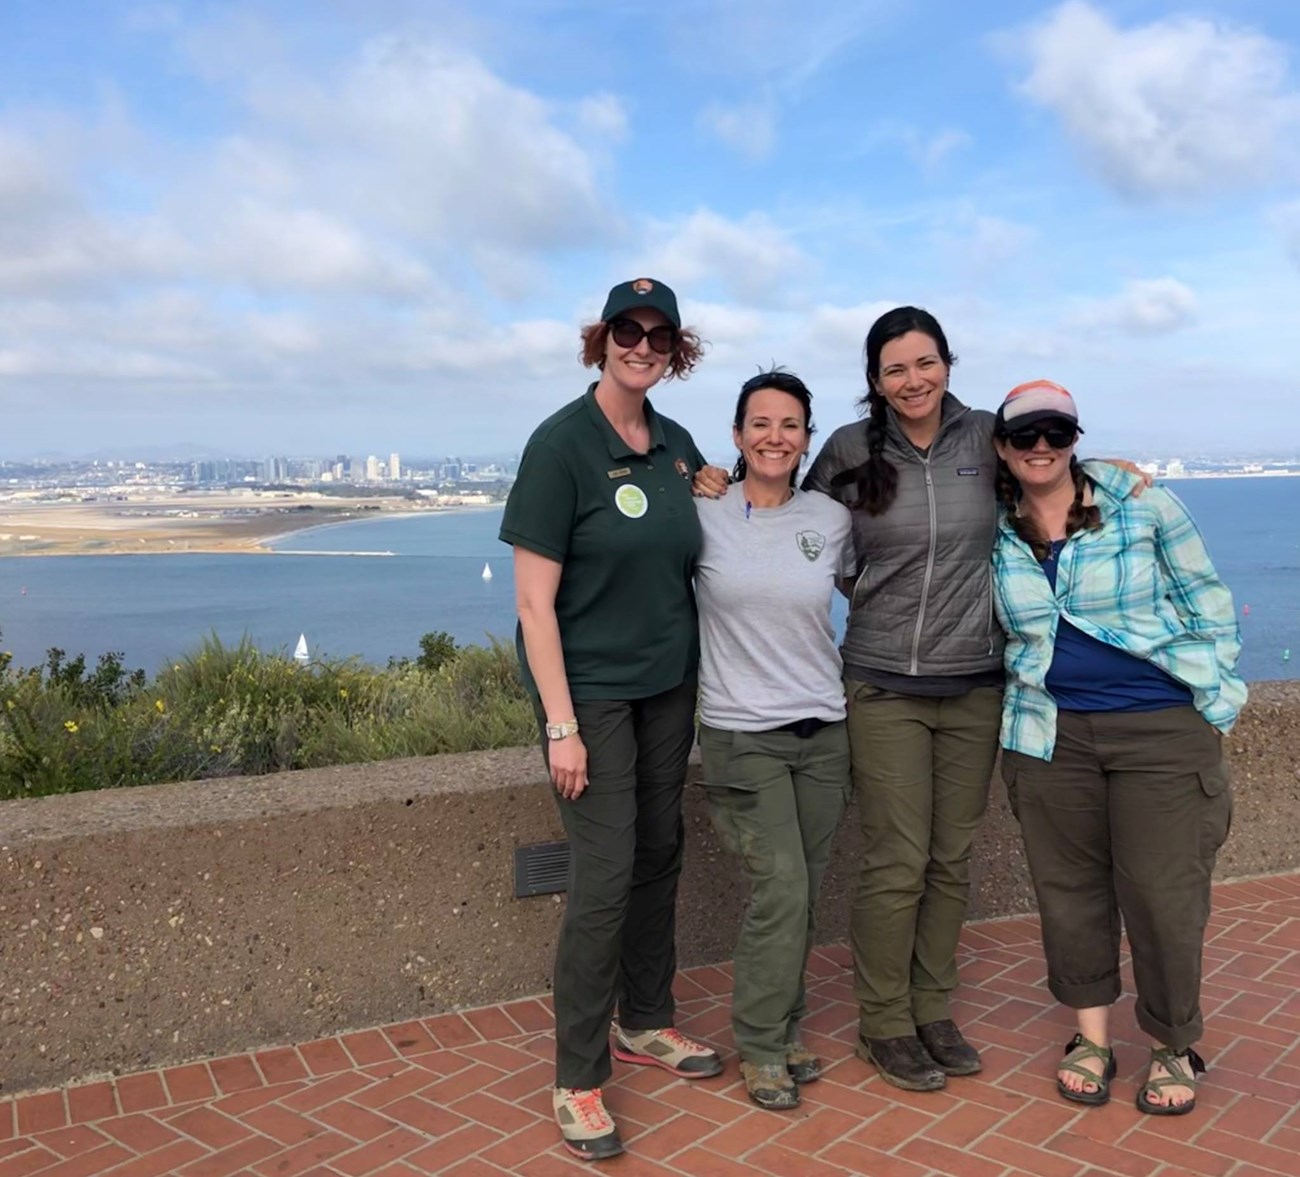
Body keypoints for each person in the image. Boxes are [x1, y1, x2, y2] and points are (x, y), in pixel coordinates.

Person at [499, 277, 723, 1162]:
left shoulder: (674, 442)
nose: (641, 346)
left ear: (676, 350)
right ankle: (577, 1074)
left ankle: (649, 1018)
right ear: (602, 340)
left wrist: (713, 482)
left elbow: (704, 522)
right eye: (625, 331)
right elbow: (531, 600)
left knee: (661, 848)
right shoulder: (560, 446)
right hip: (588, 692)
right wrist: (561, 724)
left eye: (657, 334)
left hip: (668, 684)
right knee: (605, 871)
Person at [991, 379, 1244, 1116]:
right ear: (1003, 446)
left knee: (1165, 899)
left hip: (1160, 727)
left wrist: (1216, 700)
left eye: (1057, 432)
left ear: (1076, 438)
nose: (1042, 446)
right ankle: (1091, 1038)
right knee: (1069, 896)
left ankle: (1173, 1043)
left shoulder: (1142, 502)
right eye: (1026, 434)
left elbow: (1208, 599)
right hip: (1049, 732)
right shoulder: (994, 524)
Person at [694, 370, 854, 1111]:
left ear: (806, 438)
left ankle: (786, 1025)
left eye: (790, 424)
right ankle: (760, 1044)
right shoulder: (704, 511)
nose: (774, 437)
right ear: (736, 434)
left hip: (824, 730)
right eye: (760, 423)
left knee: (805, 888)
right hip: (741, 734)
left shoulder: (831, 516)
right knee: (782, 885)